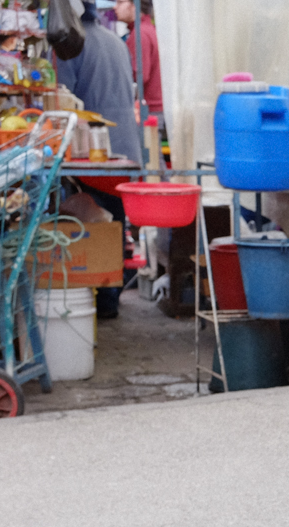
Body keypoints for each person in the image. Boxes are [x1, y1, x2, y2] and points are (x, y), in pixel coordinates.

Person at [53, 0, 142, 319]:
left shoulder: (71, 45)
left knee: (85, 219)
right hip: (125, 150)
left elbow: (64, 98)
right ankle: (109, 296)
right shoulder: (114, 42)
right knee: (114, 220)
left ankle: (90, 291)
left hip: (93, 152)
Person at [115, 0, 163, 134]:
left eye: (120, 2)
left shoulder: (140, 34)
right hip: (154, 107)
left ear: (134, 5)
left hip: (148, 109)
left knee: (150, 152)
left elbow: (140, 74)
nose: (115, 7)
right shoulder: (148, 29)